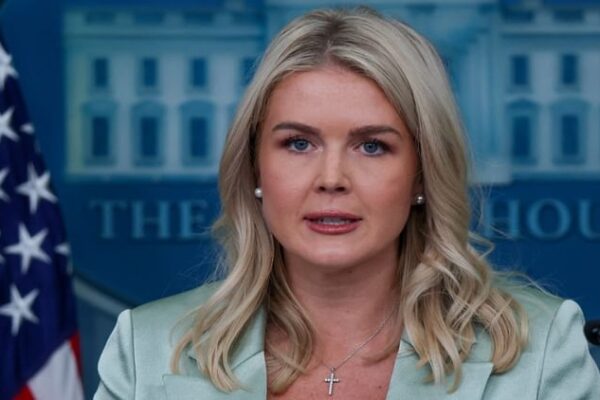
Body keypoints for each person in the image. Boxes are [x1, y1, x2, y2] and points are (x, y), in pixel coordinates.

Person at [94, 7, 600, 400]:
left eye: (372, 146)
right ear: (254, 167)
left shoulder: (541, 349)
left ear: (422, 172)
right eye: (298, 143)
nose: (331, 179)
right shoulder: (146, 347)